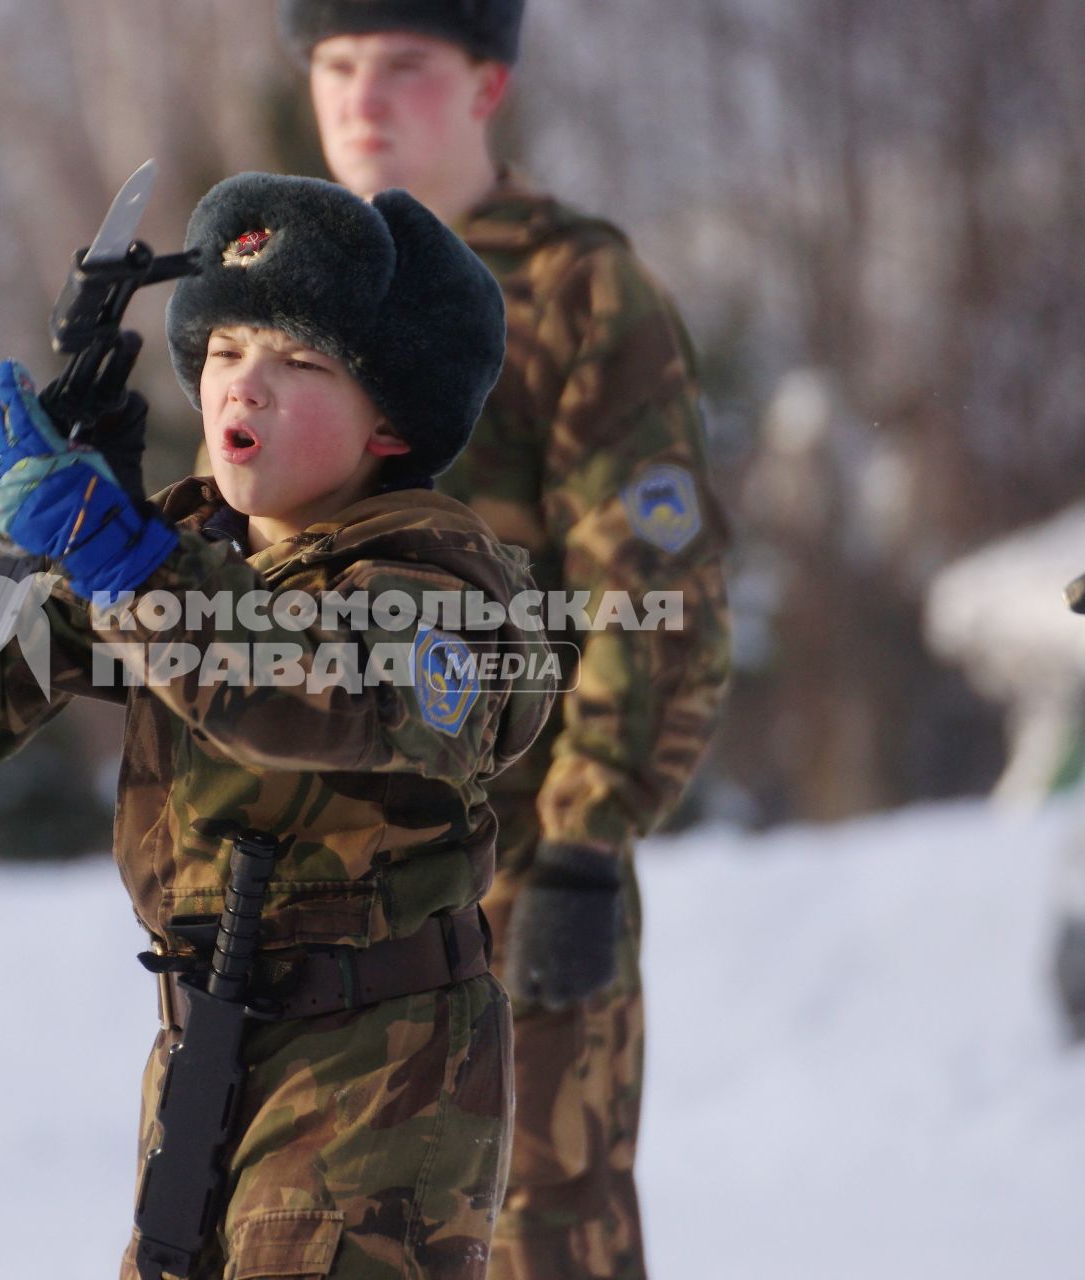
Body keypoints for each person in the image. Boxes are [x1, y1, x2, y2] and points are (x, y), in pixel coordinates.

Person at [0, 171, 556, 1278]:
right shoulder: (197, 541)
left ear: (392, 423)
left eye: (299, 363)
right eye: (220, 352)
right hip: (210, 1043)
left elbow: (318, 685)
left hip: (379, 1059)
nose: (241, 389)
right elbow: (56, 638)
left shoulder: (436, 581)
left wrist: (131, 564)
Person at [273, 4, 735, 1277]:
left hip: (515, 888)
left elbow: (659, 587)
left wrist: (588, 841)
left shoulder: (577, 286)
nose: (362, 96)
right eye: (336, 63)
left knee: (538, 1244)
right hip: (318, 907)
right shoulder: (278, 302)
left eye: (402, 65)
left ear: (485, 83)